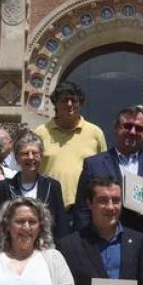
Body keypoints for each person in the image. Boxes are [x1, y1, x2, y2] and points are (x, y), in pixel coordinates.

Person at [74, 106, 143, 233]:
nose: (132, 132)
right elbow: (82, 209)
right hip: (103, 241)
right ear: (116, 128)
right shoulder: (94, 165)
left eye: (139, 128)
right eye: (127, 126)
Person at [36, 81, 108, 213]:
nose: (69, 104)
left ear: (80, 104)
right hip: (47, 206)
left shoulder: (95, 133)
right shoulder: (40, 133)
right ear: (55, 104)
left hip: (84, 208)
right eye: (64, 100)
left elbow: (103, 172)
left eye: (73, 100)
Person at [0, 132, 68, 241]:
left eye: (35, 153)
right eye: (25, 153)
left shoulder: (52, 186)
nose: (30, 157)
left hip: (44, 248)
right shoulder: (1, 188)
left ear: (41, 156)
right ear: (17, 158)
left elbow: (61, 225)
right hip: (11, 249)